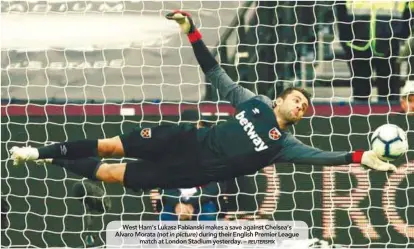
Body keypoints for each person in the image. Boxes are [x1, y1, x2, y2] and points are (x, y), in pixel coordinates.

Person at [9, 11, 397, 194]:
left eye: (305, 108)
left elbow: (322, 157)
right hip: (182, 140)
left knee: (109, 174)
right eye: (297, 100)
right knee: (110, 146)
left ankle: (51, 158)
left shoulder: (283, 145)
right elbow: (215, 74)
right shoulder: (253, 104)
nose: (300, 107)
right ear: (280, 98)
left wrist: (359, 156)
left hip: (186, 174)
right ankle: (38, 150)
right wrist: (192, 32)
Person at [335, 1, 412, 102]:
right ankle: (361, 116)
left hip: (389, 44)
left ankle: (390, 117)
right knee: (360, 93)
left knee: (389, 93)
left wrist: (401, 35)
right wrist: (345, 40)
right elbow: (340, 8)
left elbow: (410, 7)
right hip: (357, 44)